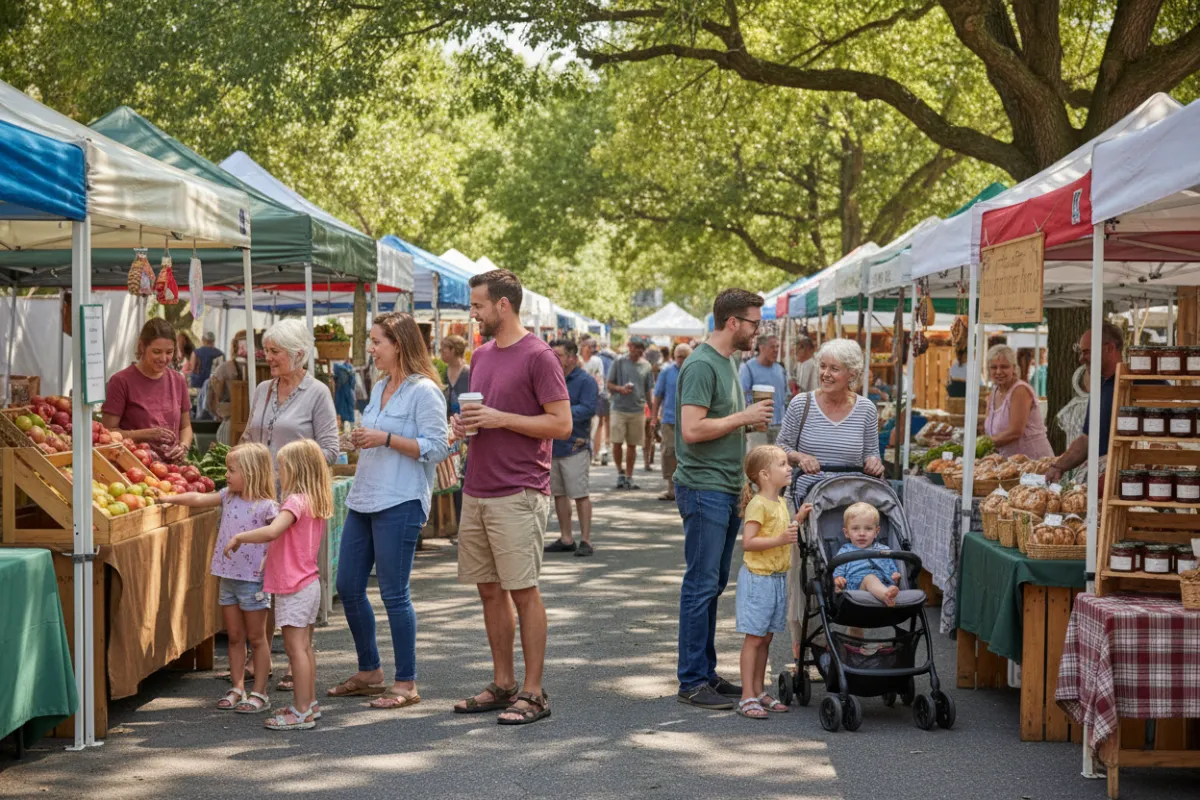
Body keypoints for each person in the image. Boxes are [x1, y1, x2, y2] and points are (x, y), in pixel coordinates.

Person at [450, 269, 570, 726]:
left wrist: (501, 419)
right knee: (488, 590)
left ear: (504, 305)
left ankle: (534, 692)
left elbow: (560, 424)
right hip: (477, 485)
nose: (473, 313)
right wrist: (467, 426)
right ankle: (503, 684)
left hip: (519, 489)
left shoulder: (539, 356)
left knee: (523, 592)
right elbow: (485, 415)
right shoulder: (480, 354)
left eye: (478, 305)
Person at [329, 313, 450, 710]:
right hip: (364, 496)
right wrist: (360, 439)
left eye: (377, 341)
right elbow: (378, 440)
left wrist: (386, 437)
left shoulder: (425, 392)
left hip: (400, 499)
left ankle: (406, 682)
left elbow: (437, 447)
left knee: (394, 593)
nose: (371, 348)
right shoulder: (380, 385)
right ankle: (370, 671)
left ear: (399, 344)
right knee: (347, 585)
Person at [674, 288, 774, 710]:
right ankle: (692, 680)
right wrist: (745, 417)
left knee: (712, 585)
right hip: (703, 488)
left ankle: (706, 673)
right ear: (733, 323)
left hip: (726, 487)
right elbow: (692, 429)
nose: (758, 330)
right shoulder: (700, 364)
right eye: (754, 322)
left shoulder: (728, 361)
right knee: (700, 586)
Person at [776, 337, 883, 662]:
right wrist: (799, 457)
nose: (825, 373)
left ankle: (853, 641)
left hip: (851, 507)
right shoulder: (801, 404)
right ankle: (804, 646)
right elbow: (779, 448)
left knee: (854, 566)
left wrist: (875, 463)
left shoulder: (866, 409)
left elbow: (872, 455)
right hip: (809, 503)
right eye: (823, 366)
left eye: (834, 368)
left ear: (851, 373)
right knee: (805, 573)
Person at [224, 439, 332, 731]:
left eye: (281, 467)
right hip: (308, 582)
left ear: (295, 469)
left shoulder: (295, 501)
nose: (278, 472)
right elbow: (290, 543)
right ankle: (308, 704)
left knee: (295, 650)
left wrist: (240, 537)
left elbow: (274, 531)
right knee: (304, 648)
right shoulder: (314, 499)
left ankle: (299, 711)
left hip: (293, 586)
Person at [165, 443, 278, 713]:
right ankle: (237, 686)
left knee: (257, 637)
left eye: (231, 470)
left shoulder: (268, 507)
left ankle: (260, 691)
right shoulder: (228, 496)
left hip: (253, 581)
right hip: (227, 577)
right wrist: (168, 497)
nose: (226, 475)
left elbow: (278, 534)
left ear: (250, 473)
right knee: (236, 636)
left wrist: (268, 559)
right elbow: (198, 499)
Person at [734, 445, 810, 720]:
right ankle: (746, 696)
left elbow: (781, 531)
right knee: (754, 638)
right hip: (759, 580)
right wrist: (779, 540)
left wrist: (797, 519)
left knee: (765, 638)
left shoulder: (779, 502)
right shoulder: (758, 504)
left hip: (776, 578)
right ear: (765, 475)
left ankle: (759, 690)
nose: (789, 467)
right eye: (782, 464)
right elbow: (749, 542)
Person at [1046, 322, 1139, 484]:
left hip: (1132, 483)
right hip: (1105, 483)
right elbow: (1087, 440)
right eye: (1081, 352)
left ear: (1109, 348)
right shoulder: (1099, 387)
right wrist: (1058, 466)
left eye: (1086, 352)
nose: (1081, 359)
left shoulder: (1140, 382)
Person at [243, 318, 340, 466]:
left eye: (274, 351)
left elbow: (330, 452)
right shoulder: (262, 389)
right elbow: (248, 437)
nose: (268, 358)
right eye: (266, 350)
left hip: (296, 487)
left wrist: (293, 465)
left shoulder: (318, 392)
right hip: (259, 487)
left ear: (298, 355)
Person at [102, 319, 193, 463]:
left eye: (169, 352)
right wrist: (145, 435)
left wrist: (183, 447)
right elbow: (108, 433)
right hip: (132, 467)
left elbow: (186, 426)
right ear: (142, 347)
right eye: (157, 352)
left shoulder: (178, 380)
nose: (163, 358)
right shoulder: (121, 381)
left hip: (171, 472)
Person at [544, 339, 598, 557]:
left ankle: (586, 540)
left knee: (580, 493)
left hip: (576, 445)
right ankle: (566, 537)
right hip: (553, 444)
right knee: (558, 493)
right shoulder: (548, 378)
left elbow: (587, 409)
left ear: (572, 358)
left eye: (558, 355)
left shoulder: (586, 381)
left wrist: (557, 412)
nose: (554, 359)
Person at [983, 344, 1053, 459]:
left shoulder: (1020, 390)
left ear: (1014, 368)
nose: (999, 371)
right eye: (994, 367)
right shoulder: (993, 393)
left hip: (1033, 462)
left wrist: (983, 445)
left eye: (1004, 367)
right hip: (1010, 464)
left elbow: (1015, 431)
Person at [606, 336, 655, 490]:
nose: (638, 350)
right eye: (636, 346)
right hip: (618, 408)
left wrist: (653, 413)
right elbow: (609, 384)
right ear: (630, 346)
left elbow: (649, 391)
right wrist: (621, 389)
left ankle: (629, 476)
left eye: (641, 347)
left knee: (633, 445)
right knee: (617, 442)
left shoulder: (646, 366)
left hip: (637, 410)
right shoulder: (619, 362)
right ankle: (620, 472)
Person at [833, 503, 902, 608]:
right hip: (856, 590)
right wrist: (838, 580)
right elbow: (838, 571)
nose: (862, 533)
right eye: (855, 529)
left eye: (868, 529)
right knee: (870, 578)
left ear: (876, 531)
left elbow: (892, 572)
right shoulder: (845, 551)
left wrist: (895, 577)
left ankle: (888, 592)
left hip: (883, 585)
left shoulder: (884, 550)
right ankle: (886, 596)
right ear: (846, 533)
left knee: (885, 583)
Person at [652, 343, 690, 502]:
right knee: (669, 452)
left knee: (688, 455)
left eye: (684, 356)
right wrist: (654, 418)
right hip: (670, 419)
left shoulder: (696, 371)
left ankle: (688, 489)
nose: (680, 360)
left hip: (691, 421)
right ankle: (671, 489)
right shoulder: (666, 372)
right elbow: (658, 395)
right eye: (678, 356)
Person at [739, 333, 789, 447]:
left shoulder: (781, 369)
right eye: (772, 347)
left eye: (777, 346)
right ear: (761, 348)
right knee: (759, 462)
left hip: (779, 427)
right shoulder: (748, 369)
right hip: (757, 427)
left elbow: (786, 398)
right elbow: (740, 397)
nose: (776, 350)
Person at [594, 341, 616, 465]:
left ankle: (601, 446)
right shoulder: (613, 358)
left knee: (600, 421)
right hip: (608, 392)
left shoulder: (596, 358)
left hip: (599, 393)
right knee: (607, 420)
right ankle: (607, 443)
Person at [440, 334, 471, 417]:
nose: (440, 353)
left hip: (465, 422)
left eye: (443, 350)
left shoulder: (469, 372)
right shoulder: (443, 372)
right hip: (447, 422)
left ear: (453, 350)